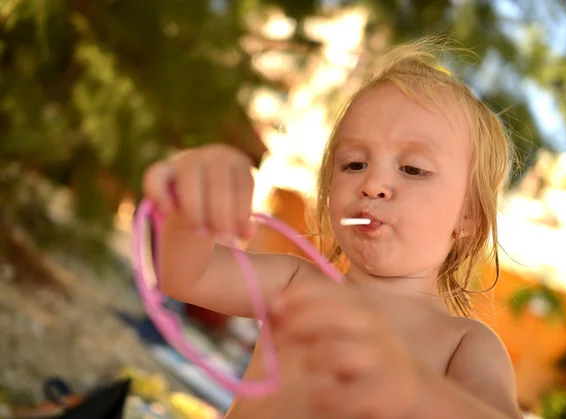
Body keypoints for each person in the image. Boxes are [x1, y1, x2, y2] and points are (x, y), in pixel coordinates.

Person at [142, 37, 523, 419]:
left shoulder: (465, 345)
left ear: (469, 216)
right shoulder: (296, 284)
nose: (372, 183)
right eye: (354, 163)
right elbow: (186, 277)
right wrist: (192, 204)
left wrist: (411, 390)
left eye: (412, 169)